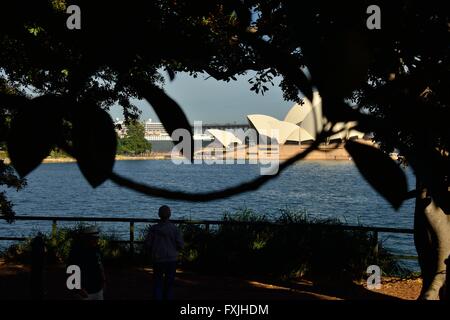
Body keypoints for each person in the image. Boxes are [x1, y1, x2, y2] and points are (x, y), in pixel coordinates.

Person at [145, 205, 184, 300]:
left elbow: (148, 244)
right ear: (169, 215)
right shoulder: (174, 229)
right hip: (171, 259)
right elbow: (181, 245)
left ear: (159, 215)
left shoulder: (154, 229)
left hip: (158, 259)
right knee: (169, 285)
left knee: (158, 283)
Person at [68, 225, 106, 300]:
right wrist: (78, 288)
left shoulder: (96, 249)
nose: (97, 240)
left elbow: (100, 265)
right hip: (84, 290)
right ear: (87, 238)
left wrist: (104, 281)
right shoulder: (77, 252)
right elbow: (71, 270)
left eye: (97, 238)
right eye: (94, 238)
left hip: (97, 288)